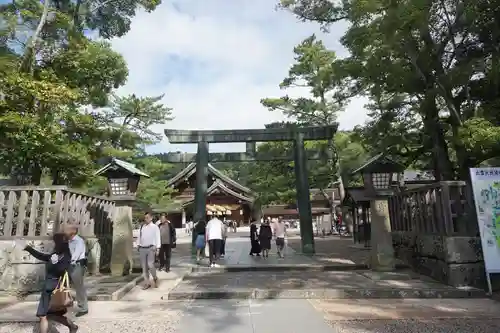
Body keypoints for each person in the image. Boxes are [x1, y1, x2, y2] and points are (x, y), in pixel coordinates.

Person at [19, 233, 78, 333]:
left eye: (55, 242)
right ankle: (72, 326)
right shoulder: (55, 254)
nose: (54, 244)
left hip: (55, 290)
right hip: (48, 288)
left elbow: (63, 270)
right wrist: (27, 248)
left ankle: (72, 326)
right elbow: (41, 256)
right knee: (49, 315)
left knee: (43, 315)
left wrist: (56, 263)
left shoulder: (67, 256)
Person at [64, 224, 88, 317]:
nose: (65, 231)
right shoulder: (69, 241)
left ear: (73, 232)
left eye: (67, 229)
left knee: (79, 286)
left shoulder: (78, 241)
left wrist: (69, 262)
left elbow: (76, 254)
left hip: (76, 265)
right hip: (70, 264)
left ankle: (83, 308)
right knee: (67, 285)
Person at [137, 212, 161, 289]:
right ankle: (147, 283)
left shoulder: (154, 227)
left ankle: (155, 278)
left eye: (147, 217)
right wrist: (138, 244)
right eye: (145, 218)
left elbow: (158, 237)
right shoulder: (142, 227)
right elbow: (139, 236)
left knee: (150, 264)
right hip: (142, 248)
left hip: (151, 248)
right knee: (144, 267)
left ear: (151, 218)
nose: (146, 219)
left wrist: (158, 248)